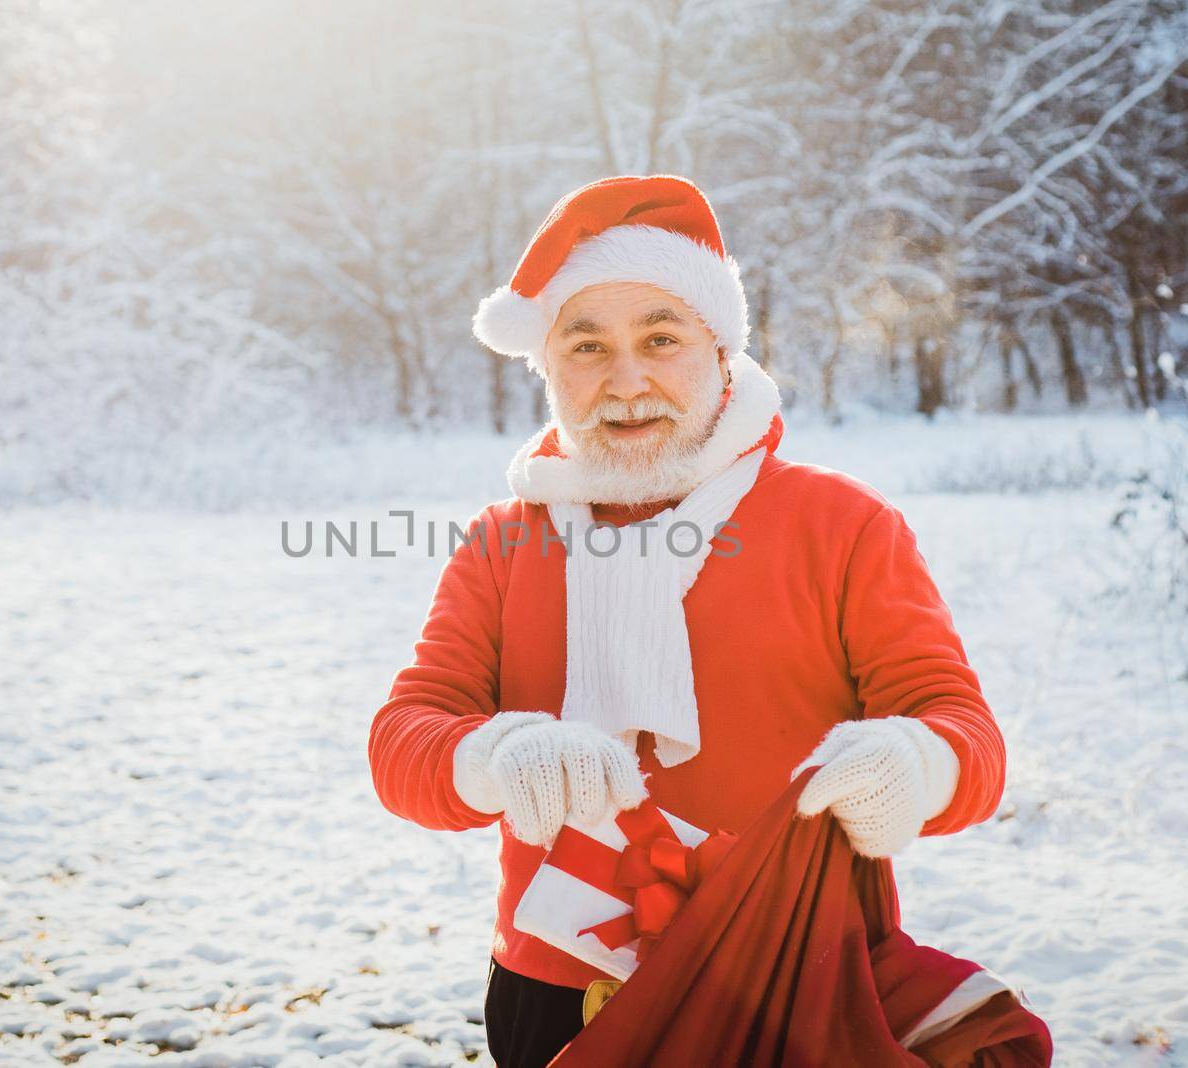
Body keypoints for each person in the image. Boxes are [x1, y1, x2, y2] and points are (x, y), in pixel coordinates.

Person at [367, 175, 1004, 1068]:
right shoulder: (503, 544)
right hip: (556, 998)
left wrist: (917, 765)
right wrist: (495, 756)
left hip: (795, 978)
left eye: (659, 339)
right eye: (586, 347)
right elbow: (403, 741)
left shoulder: (844, 526)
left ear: (720, 350)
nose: (626, 382)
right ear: (549, 369)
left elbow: (963, 731)